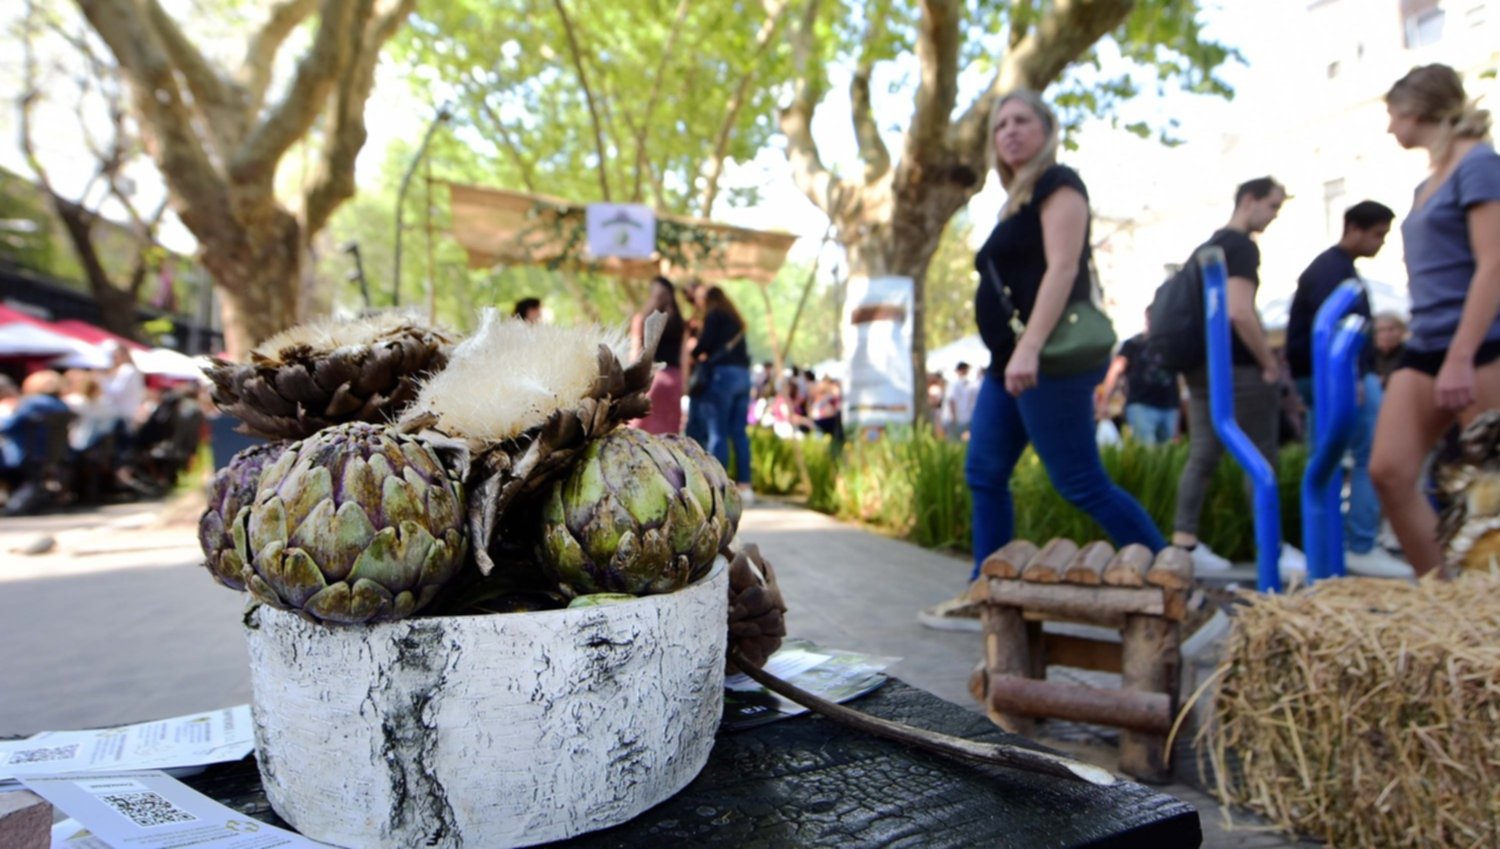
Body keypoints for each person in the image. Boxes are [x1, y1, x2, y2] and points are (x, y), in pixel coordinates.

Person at [923, 90, 1167, 630]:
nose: (1008, 130)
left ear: (1047, 128)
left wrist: (1030, 347)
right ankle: (985, 592)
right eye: (1000, 124)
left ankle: (1173, 581)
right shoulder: (1014, 200)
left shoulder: (1060, 184)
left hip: (1046, 360)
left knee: (1080, 480)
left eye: (1021, 120)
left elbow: (1062, 271)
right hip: (1008, 362)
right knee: (984, 473)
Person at [1370, 64, 1500, 577]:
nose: (1389, 128)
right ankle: (1444, 604)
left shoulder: (1479, 164)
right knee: (1389, 471)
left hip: (1481, 345)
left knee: (1488, 493)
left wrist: (1462, 356)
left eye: (1392, 115)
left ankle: (1489, 612)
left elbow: (1493, 263)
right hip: (1427, 343)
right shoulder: (1429, 182)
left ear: (1417, 110)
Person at [1168, 177, 1295, 575]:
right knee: (1261, 454)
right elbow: (1240, 310)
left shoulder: (1208, 246)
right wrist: (1269, 362)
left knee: (1204, 452)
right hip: (1237, 366)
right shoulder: (1240, 247)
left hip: (1201, 365)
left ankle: (1184, 543)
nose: (1275, 216)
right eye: (1273, 206)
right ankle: (1270, 547)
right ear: (1249, 201)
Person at [1285, 200, 1410, 576]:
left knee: (1329, 456)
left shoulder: (1337, 269)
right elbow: (1334, 328)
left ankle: (1330, 545)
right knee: (1370, 451)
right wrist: (1352, 376)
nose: (1381, 243)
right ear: (1353, 227)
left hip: (1333, 374)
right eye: (1377, 234)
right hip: (1337, 375)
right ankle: (1359, 543)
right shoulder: (1332, 271)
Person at [690, 286, 753, 498]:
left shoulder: (714, 314)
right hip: (743, 376)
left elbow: (703, 345)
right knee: (739, 433)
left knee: (718, 432)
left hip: (722, 376)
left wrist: (694, 350)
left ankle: (719, 486)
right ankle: (745, 486)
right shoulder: (735, 319)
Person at [1097, 311, 1180, 445]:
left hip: (1169, 406)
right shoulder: (1133, 344)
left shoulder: (1171, 346)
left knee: (1169, 454)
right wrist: (1105, 401)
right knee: (1146, 453)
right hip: (1142, 405)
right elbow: (1116, 370)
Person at [629, 276, 688, 435]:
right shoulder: (680, 323)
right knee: (668, 435)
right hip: (673, 380)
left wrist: (631, 382)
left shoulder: (642, 319)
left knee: (639, 433)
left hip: (651, 379)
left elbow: (636, 352)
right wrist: (684, 383)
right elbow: (684, 358)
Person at [943, 362, 979, 440]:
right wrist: (954, 417)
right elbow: (951, 400)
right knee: (954, 441)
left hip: (964, 418)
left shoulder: (969, 383)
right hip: (955, 419)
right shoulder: (954, 383)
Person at [1372, 312, 1409, 385]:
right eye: (1381, 330)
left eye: (1391, 329)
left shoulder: (1410, 356)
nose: (1386, 334)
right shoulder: (1367, 359)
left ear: (1402, 331)